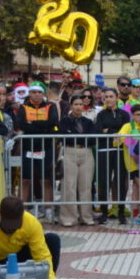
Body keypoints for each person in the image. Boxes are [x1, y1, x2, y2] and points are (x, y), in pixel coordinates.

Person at [15, 82, 59, 220]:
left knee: (46, 179)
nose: (37, 95)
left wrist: (32, 124)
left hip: (45, 146)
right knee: (25, 179)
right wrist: (41, 126)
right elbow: (21, 124)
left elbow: (53, 122)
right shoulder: (23, 107)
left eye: (39, 92)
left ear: (44, 94)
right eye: (34, 92)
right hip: (28, 147)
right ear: (30, 93)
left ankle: (48, 209)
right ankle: (22, 209)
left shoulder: (50, 106)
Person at [59, 94, 97, 226]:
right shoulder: (65, 121)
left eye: (81, 104)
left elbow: (92, 138)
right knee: (69, 186)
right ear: (71, 106)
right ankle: (68, 217)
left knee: (86, 186)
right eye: (76, 104)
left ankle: (86, 216)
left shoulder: (88, 122)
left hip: (86, 152)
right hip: (70, 151)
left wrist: (75, 136)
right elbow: (64, 137)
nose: (78, 107)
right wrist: (81, 137)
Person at [95, 88, 130, 224]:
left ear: (116, 98)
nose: (108, 99)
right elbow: (98, 130)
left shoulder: (124, 114)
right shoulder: (101, 114)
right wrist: (112, 131)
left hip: (121, 151)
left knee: (121, 180)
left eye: (111, 96)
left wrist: (108, 131)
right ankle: (104, 211)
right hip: (105, 151)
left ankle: (121, 211)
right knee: (104, 181)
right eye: (106, 97)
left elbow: (126, 130)